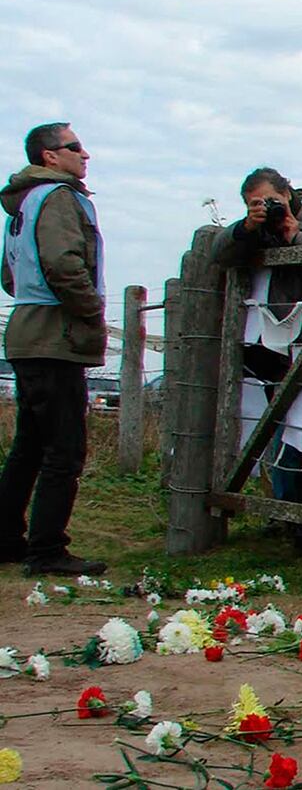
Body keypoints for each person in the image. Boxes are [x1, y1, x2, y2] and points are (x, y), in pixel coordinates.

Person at [212, 168, 302, 549]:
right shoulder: (253, 223)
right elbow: (219, 253)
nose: (267, 209)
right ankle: (290, 515)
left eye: (271, 202)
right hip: (276, 340)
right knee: (283, 432)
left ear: (288, 192)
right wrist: (246, 228)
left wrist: (296, 237)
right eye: (255, 204)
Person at [0, 122, 108, 576]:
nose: (85, 155)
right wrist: (90, 309)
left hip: (26, 331)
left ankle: (6, 537)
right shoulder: (59, 197)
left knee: (29, 443)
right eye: (75, 147)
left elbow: (9, 275)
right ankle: (47, 549)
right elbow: (64, 264)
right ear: (49, 156)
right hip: (55, 336)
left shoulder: (23, 204)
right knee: (63, 449)